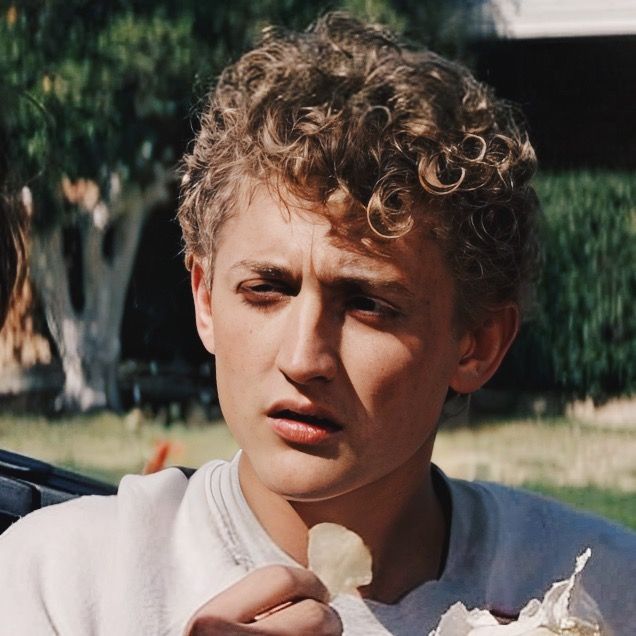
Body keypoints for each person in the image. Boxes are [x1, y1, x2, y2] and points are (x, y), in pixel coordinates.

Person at [1, 12, 635, 635]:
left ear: (476, 345)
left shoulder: (603, 588)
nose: (304, 358)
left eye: (368, 306)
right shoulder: (59, 583)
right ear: (205, 298)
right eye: (265, 291)